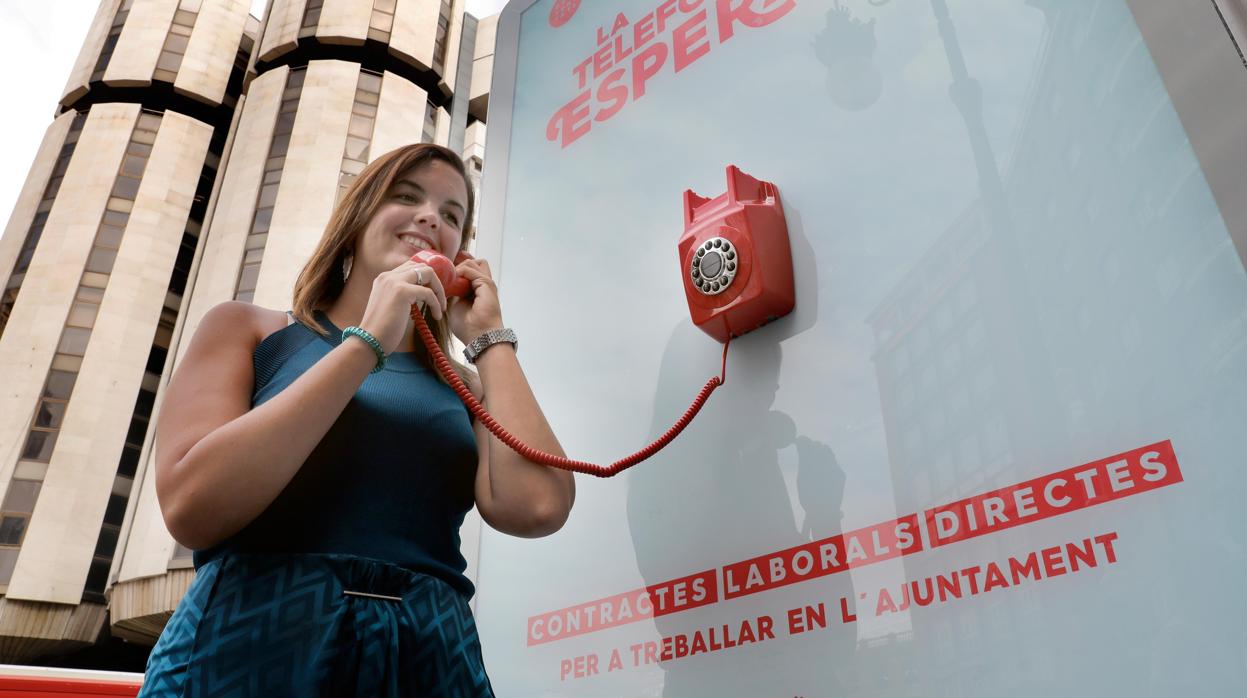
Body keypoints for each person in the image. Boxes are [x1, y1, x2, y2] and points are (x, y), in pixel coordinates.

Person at [137, 143, 575, 697]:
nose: (430, 217)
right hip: (256, 644)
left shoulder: (466, 386)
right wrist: (365, 344)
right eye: (407, 196)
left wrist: (489, 339)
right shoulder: (250, 331)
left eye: (452, 214)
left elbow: (538, 506)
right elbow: (191, 506)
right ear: (356, 218)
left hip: (427, 654)